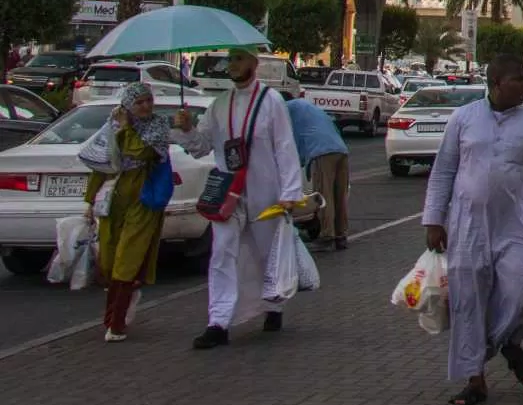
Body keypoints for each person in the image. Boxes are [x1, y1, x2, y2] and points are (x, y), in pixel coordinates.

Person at [423, 54, 523, 405]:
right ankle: (475, 380)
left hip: (517, 225)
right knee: (469, 302)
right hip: (468, 226)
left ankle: (507, 342)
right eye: (519, 79)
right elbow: (443, 171)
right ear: (497, 83)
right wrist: (433, 219)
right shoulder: (463, 119)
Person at [172, 46, 304, 350]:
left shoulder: (271, 102)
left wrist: (289, 194)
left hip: (263, 190)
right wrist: (186, 128)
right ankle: (218, 322)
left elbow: (285, 148)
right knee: (221, 253)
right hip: (227, 192)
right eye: (230, 59)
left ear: (254, 64)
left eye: (239, 58)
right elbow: (201, 145)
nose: (233, 64)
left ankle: (273, 306)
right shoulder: (219, 104)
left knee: (264, 251)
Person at [78, 82, 171, 341]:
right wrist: (89, 201)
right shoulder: (114, 124)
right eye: (138, 102)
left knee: (127, 257)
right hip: (115, 194)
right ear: (128, 105)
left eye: (148, 100)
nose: (145, 106)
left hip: (144, 194)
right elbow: (102, 162)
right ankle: (125, 296)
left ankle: (116, 323)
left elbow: (140, 151)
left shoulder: (158, 125)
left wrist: (126, 128)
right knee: (108, 257)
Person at [285, 92, 351, 249]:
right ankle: (341, 235)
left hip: (321, 152)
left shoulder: (287, 110)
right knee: (339, 195)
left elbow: (292, 138)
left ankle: (326, 235)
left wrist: (300, 162)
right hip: (340, 149)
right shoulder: (311, 107)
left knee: (324, 194)